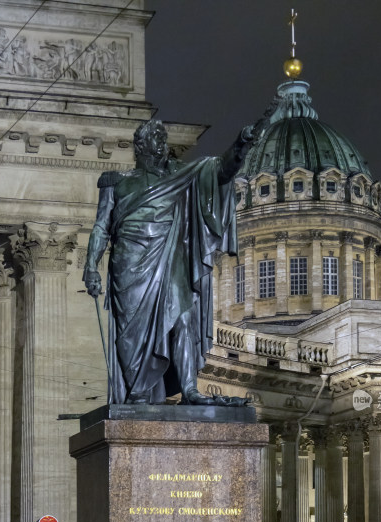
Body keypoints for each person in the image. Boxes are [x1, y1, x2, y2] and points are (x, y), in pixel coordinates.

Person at [83, 116, 263, 406]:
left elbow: (220, 171)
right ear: (141, 146)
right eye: (156, 138)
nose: (162, 144)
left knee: (183, 319)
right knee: (132, 339)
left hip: (169, 258)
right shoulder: (117, 183)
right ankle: (138, 392)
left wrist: (241, 143)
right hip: (129, 264)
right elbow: (102, 227)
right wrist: (90, 266)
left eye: (163, 139)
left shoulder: (180, 175)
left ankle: (190, 389)